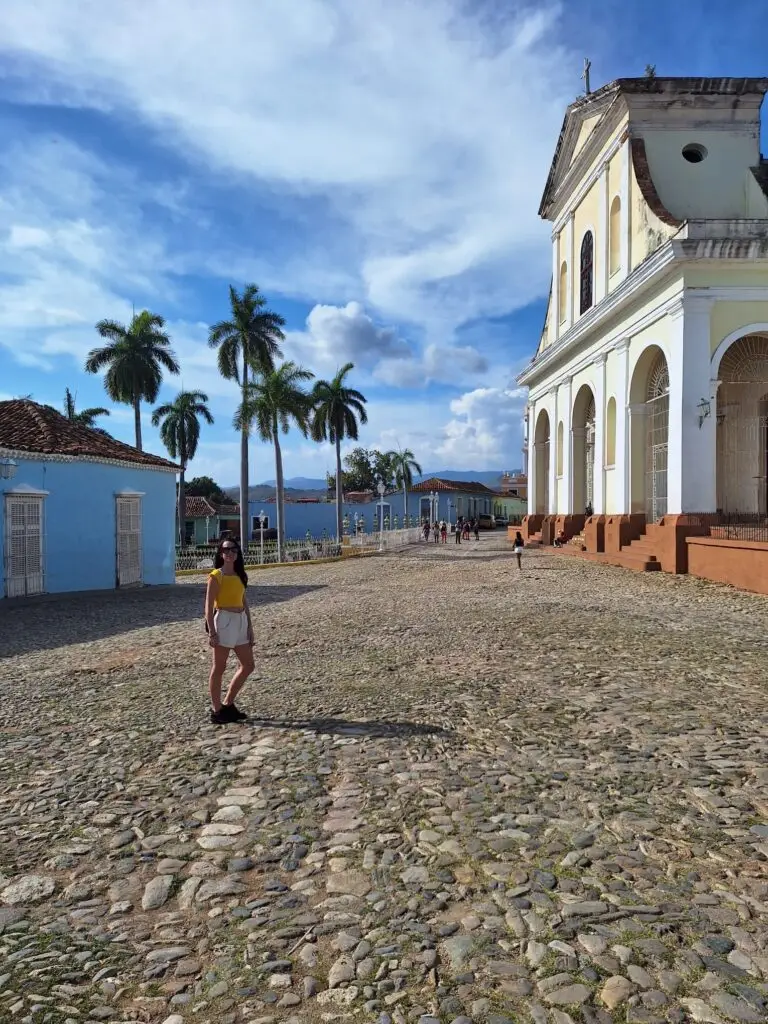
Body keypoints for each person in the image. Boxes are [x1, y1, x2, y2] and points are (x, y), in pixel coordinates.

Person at [205, 540, 255, 724]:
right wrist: (212, 632)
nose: (229, 553)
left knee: (248, 665)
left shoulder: (240, 575)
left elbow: (244, 601)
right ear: (220, 553)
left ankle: (228, 703)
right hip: (224, 621)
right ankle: (217, 710)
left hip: (240, 620)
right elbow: (209, 607)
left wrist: (250, 626)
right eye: (226, 550)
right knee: (219, 667)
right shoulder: (216, 576)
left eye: (233, 550)